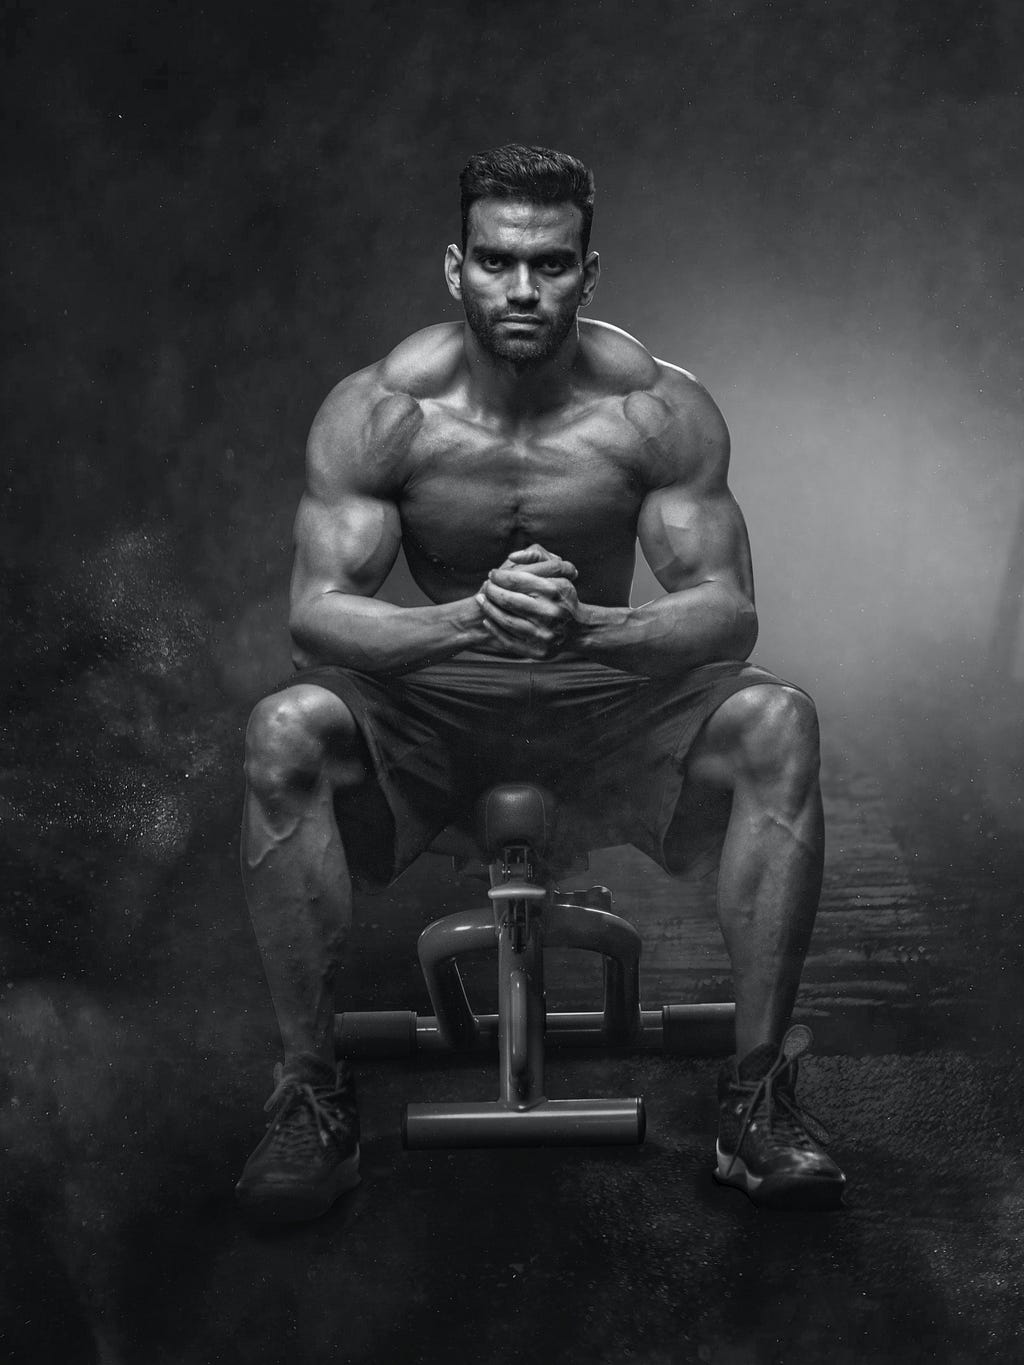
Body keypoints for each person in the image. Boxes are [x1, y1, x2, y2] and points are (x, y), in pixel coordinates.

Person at [234, 144, 846, 1221]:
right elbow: (313, 616)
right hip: (438, 709)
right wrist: (465, 616)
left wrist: (593, 625)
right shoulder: (382, 411)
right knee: (283, 729)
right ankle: (311, 1100)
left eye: (551, 264)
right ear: (454, 266)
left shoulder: (655, 411)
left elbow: (727, 611)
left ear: (590, 272)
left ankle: (755, 1101)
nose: (523, 288)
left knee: (779, 723)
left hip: (604, 706)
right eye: (497, 259)